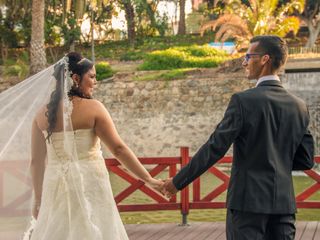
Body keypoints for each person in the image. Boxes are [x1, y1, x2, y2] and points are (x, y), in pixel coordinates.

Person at [161, 35, 314, 239]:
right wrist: (276, 161)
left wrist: (177, 182)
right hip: (284, 205)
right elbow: (306, 160)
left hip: (246, 203)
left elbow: (214, 148)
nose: (244, 62)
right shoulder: (299, 106)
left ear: (264, 59)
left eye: (248, 56)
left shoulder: (243, 101)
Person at [26, 52, 163, 240]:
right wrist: (149, 179)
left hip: (55, 186)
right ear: (75, 78)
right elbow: (118, 149)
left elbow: (36, 162)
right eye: (92, 76)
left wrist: (39, 200)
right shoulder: (94, 108)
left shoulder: (41, 114)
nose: (95, 82)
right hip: (89, 182)